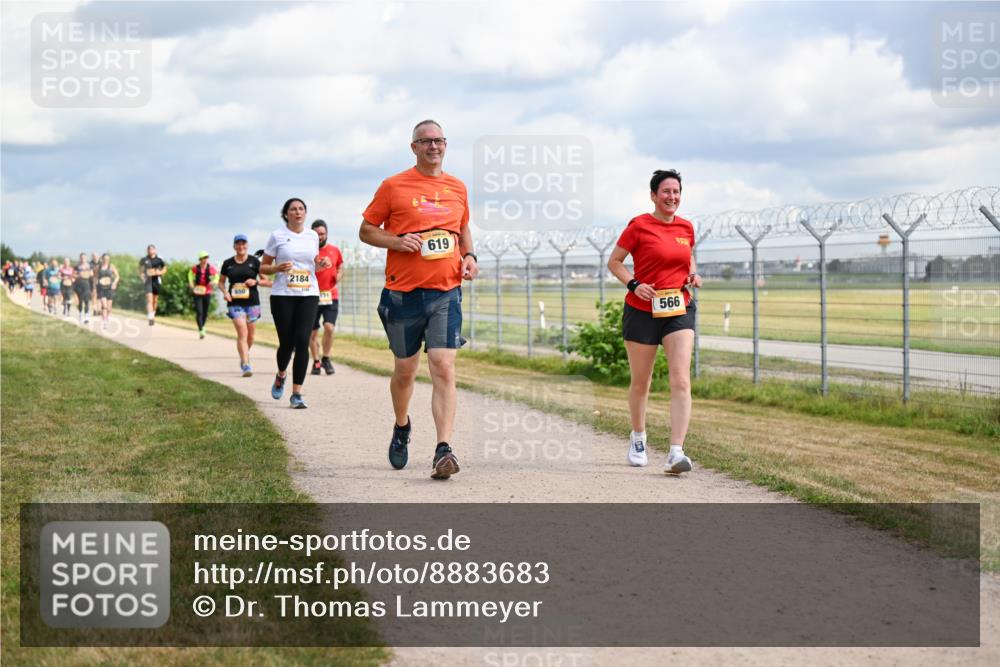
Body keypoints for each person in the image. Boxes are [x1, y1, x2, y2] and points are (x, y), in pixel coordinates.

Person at [359, 119, 478, 480]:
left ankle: (444, 448)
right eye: (425, 141)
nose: (433, 146)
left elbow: (462, 229)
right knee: (405, 370)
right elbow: (366, 230)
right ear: (414, 147)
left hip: (446, 292)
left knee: (442, 365)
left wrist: (470, 256)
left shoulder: (457, 186)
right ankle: (401, 425)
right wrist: (396, 241)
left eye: (439, 140)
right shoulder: (393, 186)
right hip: (402, 295)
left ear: (446, 145)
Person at [607, 169, 702, 475]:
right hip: (642, 309)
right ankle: (638, 438)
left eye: (676, 191)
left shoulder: (686, 227)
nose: (671, 197)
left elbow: (687, 260)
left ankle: (676, 452)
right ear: (653, 195)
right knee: (641, 382)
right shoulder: (639, 225)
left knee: (681, 378)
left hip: (679, 307)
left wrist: (692, 275)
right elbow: (614, 262)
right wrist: (634, 285)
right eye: (665, 191)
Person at [260, 198, 332, 408]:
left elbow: (313, 266)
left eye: (301, 209)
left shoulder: (312, 236)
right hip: (283, 295)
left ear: (305, 213)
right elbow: (263, 268)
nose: (297, 212)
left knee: (303, 341)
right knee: (287, 343)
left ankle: (296, 394)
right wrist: (276, 268)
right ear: (286, 214)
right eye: (293, 209)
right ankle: (281, 374)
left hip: (308, 294)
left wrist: (322, 264)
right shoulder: (277, 236)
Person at [220, 234, 271, 376]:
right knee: (242, 332)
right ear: (234, 246)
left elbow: (267, 281)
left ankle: (244, 356)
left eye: (243, 243)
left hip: (252, 303)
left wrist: (256, 282)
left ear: (247, 245)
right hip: (235, 303)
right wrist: (225, 292)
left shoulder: (255, 262)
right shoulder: (228, 263)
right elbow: (221, 282)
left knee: (250, 336)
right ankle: (246, 364)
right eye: (238, 244)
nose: (241, 246)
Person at [309, 219, 344, 376]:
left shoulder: (335, 250)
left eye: (322, 234)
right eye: (317, 234)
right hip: (311, 295)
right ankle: (316, 361)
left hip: (330, 295)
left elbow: (340, 267)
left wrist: (338, 275)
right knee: (312, 333)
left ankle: (326, 358)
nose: (320, 237)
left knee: (329, 327)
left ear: (327, 234)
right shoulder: (308, 251)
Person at [188, 251, 219, 339]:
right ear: (200, 259)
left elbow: (217, 276)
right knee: (199, 311)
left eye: (206, 258)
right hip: (197, 291)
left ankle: (203, 326)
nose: (205, 259)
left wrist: (215, 282)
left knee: (205, 312)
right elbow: (190, 274)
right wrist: (191, 282)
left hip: (207, 291)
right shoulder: (195, 268)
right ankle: (201, 329)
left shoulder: (210, 268)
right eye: (203, 258)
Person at [139, 245, 166, 326]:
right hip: (148, 281)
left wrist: (160, 272)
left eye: (152, 249)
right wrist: (142, 277)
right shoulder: (144, 260)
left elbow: (165, 268)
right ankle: (150, 317)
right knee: (149, 299)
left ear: (155, 250)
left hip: (156, 281)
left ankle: (153, 314)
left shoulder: (159, 260)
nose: (150, 250)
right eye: (149, 249)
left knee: (155, 300)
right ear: (147, 251)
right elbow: (140, 269)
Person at [95, 253, 120, 328]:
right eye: (105, 258)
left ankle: (107, 318)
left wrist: (114, 283)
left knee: (109, 308)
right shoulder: (98, 267)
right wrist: (95, 283)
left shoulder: (111, 266)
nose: (106, 260)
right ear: (102, 259)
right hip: (101, 288)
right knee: (104, 305)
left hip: (109, 288)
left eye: (107, 258)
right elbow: (95, 277)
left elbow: (117, 276)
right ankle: (104, 321)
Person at [73, 253, 94, 323]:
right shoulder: (77, 266)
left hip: (86, 284)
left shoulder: (89, 265)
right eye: (81, 257)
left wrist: (88, 274)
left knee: (87, 300)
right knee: (80, 301)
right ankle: (80, 315)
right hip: (79, 284)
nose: (83, 259)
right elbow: (74, 275)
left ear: (86, 258)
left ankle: (87, 316)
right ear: (80, 258)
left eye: (84, 258)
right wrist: (79, 275)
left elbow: (91, 274)